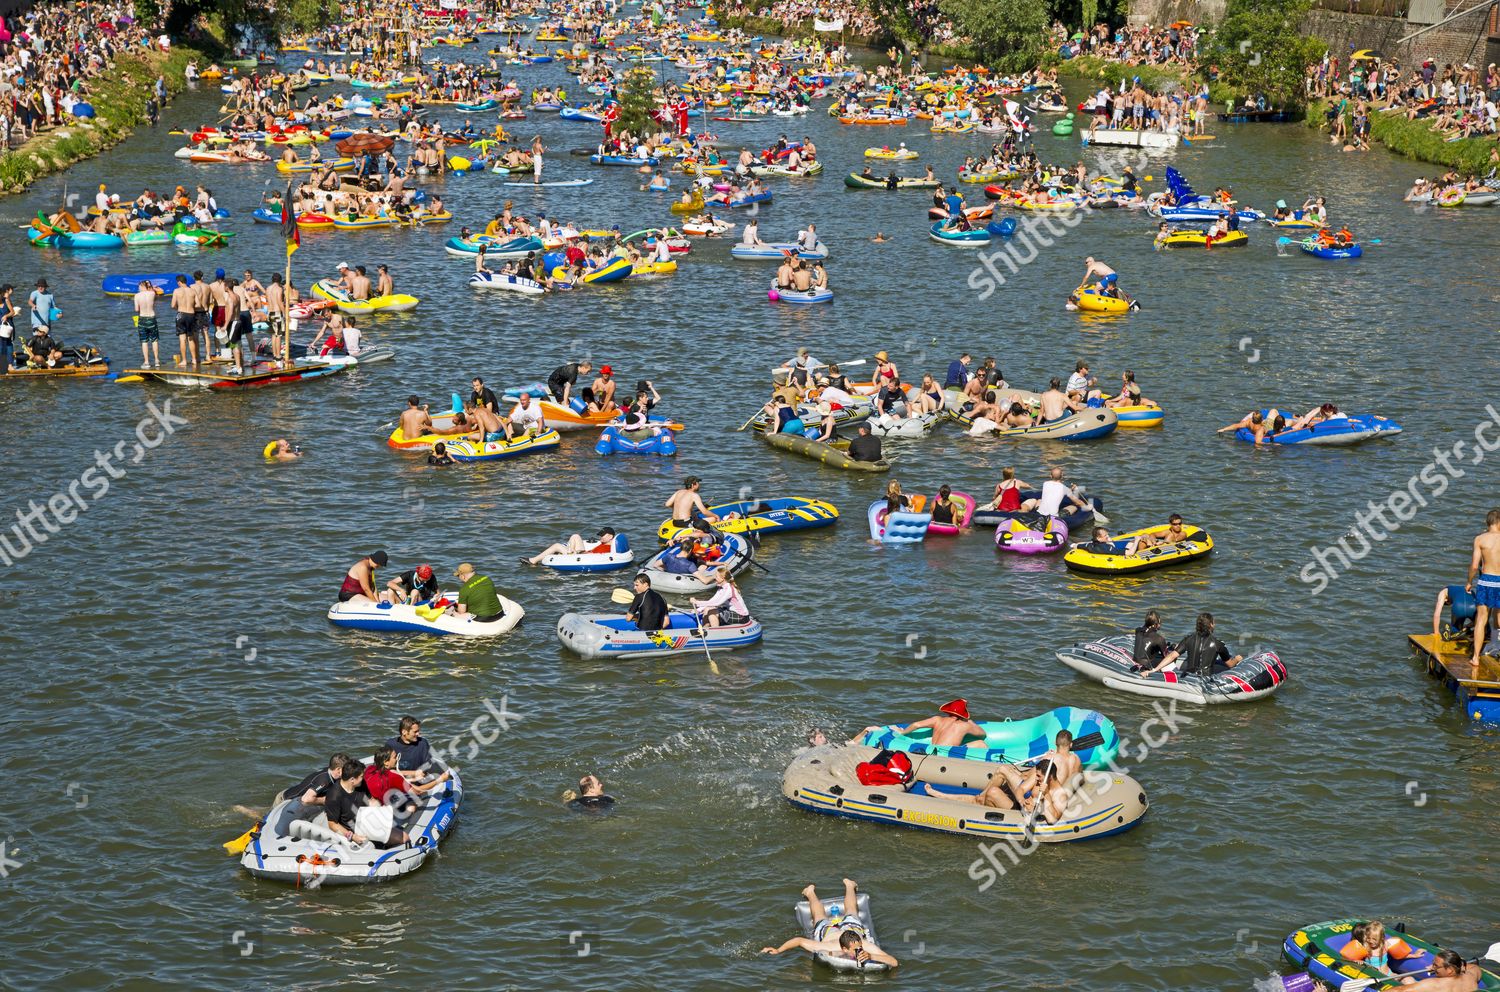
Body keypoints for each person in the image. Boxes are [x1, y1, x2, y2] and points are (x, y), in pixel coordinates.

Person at [762, 880, 899, 969]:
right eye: (855, 949)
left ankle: (849, 885)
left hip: (851, 929)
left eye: (859, 948)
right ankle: (810, 892)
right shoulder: (827, 947)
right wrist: (778, 950)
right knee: (819, 917)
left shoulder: (864, 946)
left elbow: (894, 962)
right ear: (844, 950)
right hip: (829, 932)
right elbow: (799, 941)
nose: (859, 951)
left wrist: (871, 956)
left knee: (851, 911)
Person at [857, 698, 983, 749]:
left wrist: (902, 732)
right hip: (947, 755)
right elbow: (982, 734)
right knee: (980, 744)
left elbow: (916, 725)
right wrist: (970, 722)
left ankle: (852, 742)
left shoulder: (937, 719)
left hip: (933, 750)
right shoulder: (964, 726)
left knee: (871, 729)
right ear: (964, 715)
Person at [1145, 612, 1242, 676]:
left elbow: (1172, 656)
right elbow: (1230, 665)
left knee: (1167, 666)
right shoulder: (1218, 644)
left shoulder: (1188, 639)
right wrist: (1237, 659)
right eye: (1214, 623)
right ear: (1211, 625)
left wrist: (1154, 670)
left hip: (1189, 678)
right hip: (1206, 680)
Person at [1466, 508, 1500, 672]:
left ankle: (1475, 658)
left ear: (1488, 523)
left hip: (1486, 581)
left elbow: (1474, 566)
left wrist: (1469, 582)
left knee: (1481, 619)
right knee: (1499, 620)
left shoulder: (1480, 539)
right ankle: (1497, 649)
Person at [384, 717, 452, 793]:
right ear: (404, 732)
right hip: (396, 781)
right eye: (415, 732)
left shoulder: (422, 743)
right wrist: (412, 773)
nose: (418, 734)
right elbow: (384, 769)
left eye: (418, 731)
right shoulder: (390, 744)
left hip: (417, 781)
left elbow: (427, 766)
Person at [523, 528, 618, 566]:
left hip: (583, 557)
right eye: (600, 535)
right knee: (575, 536)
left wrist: (582, 553)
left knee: (556, 545)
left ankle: (533, 560)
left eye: (603, 535)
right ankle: (568, 551)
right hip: (582, 554)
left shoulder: (608, 548)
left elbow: (596, 556)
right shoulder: (603, 544)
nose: (600, 537)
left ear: (610, 537)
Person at [1021, 467, 1091, 518]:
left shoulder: (1045, 484)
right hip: (1053, 516)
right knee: (1074, 506)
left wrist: (1070, 489)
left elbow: (1056, 489)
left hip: (1040, 514)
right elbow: (1077, 502)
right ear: (1062, 476)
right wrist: (1087, 507)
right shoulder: (1064, 488)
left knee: (1039, 500)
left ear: (1050, 476)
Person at [170, 275, 198, 368]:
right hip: (191, 314)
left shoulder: (177, 291)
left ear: (179, 282)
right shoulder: (193, 291)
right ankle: (194, 359)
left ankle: (184, 360)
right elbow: (198, 304)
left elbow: (173, 305)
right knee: (191, 338)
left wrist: (178, 308)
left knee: (182, 339)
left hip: (181, 314)